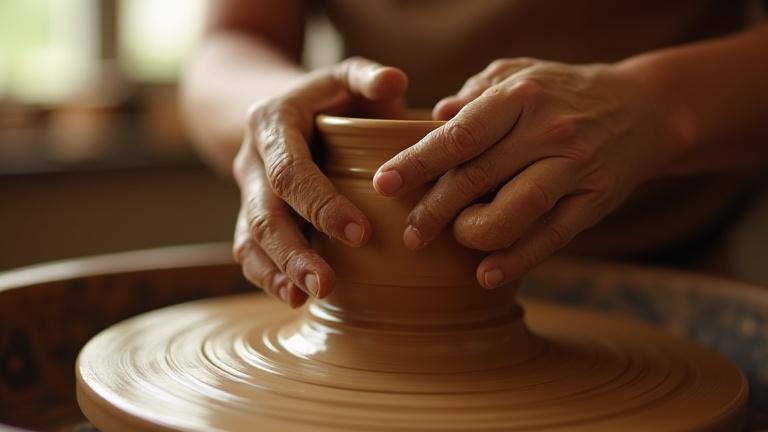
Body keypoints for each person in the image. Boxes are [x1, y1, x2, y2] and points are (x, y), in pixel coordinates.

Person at [181, 0, 768, 308]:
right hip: (352, 282)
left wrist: (656, 108)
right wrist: (269, 119)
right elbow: (233, 40)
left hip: (661, 275)